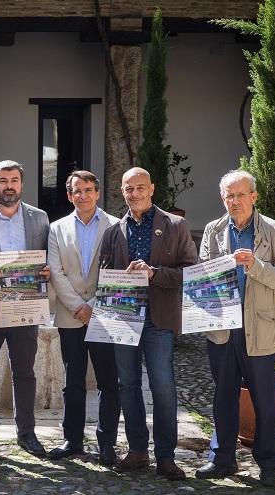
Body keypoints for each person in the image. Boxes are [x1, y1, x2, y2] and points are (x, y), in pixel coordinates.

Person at [98, 167, 197, 480]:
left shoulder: (175, 225)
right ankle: (138, 450)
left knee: (163, 387)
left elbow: (189, 273)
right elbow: (105, 276)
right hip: (123, 319)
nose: (135, 194)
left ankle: (166, 456)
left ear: (152, 188)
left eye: (141, 187)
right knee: (128, 386)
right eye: (129, 189)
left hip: (158, 319)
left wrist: (154, 272)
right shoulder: (114, 231)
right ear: (122, 191)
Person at [195, 170, 275, 487]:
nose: (234, 201)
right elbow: (203, 273)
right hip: (222, 327)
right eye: (228, 196)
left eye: (240, 194)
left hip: (260, 327)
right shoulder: (213, 230)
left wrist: (255, 266)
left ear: (254, 196)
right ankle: (222, 459)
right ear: (223, 198)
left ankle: (270, 464)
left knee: (264, 400)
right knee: (223, 397)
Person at [0, 160, 50, 458]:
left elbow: (47, 258)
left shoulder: (39, 218)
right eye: (2, 180)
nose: (8, 185)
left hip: (26, 307)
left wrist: (47, 270)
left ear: (21, 183)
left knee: (25, 373)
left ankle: (26, 433)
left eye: (14, 180)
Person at [46, 170, 120, 466]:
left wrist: (94, 305)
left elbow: (116, 270)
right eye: (77, 190)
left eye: (88, 189)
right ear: (69, 195)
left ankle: (107, 444)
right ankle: (72, 440)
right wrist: (79, 305)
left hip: (104, 315)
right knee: (72, 381)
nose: (83, 195)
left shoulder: (116, 225)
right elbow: (55, 271)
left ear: (97, 193)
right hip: (70, 315)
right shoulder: (57, 228)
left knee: (107, 382)